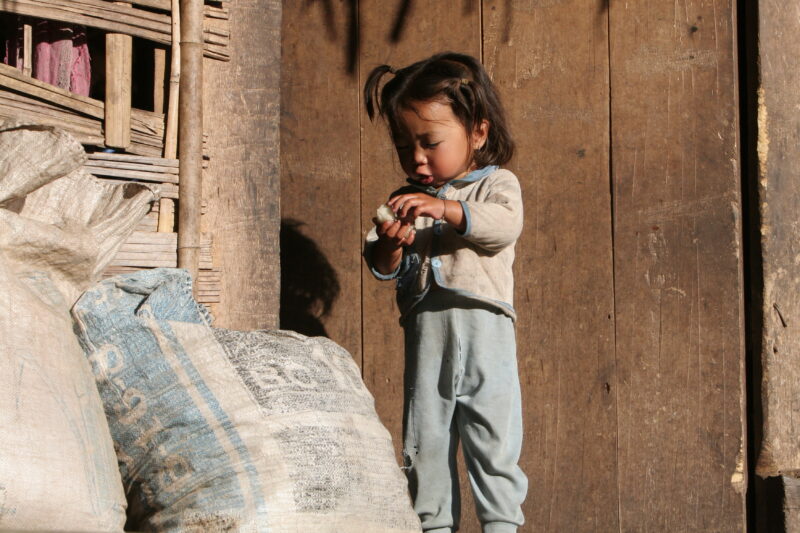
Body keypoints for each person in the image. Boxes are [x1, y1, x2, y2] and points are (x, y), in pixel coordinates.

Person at [362, 52, 528, 533]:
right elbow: (379, 262)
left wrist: (445, 209)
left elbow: (502, 227)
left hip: (484, 329)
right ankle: (433, 525)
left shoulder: (496, 184)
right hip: (427, 331)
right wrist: (390, 248)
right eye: (403, 144)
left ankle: (500, 524)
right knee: (425, 438)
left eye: (430, 142)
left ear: (477, 131)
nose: (416, 157)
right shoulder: (405, 199)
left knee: (492, 434)